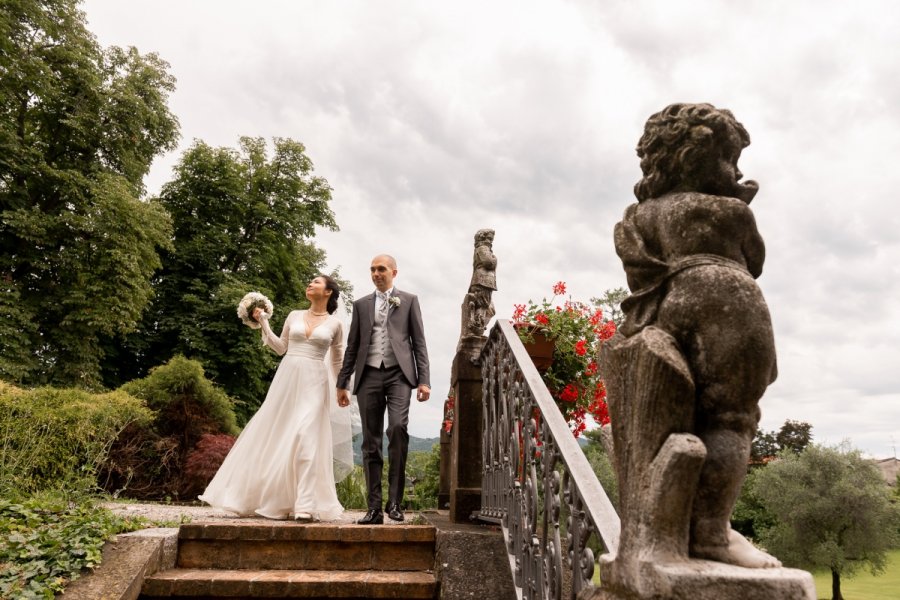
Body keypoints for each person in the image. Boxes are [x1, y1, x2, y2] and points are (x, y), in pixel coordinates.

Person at [199, 275, 352, 521]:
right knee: (277, 433)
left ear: (329, 292)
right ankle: (261, 496)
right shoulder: (294, 315)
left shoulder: (335, 324)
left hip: (315, 381)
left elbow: (337, 359)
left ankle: (304, 504)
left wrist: (342, 387)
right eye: (309, 282)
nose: (309, 284)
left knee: (306, 436)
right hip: (288, 378)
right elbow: (281, 347)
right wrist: (264, 323)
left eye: (316, 282)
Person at [337, 254, 430, 524]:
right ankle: (374, 508)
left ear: (394, 272)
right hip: (368, 376)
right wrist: (343, 382)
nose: (376, 273)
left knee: (398, 428)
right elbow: (353, 346)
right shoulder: (361, 305)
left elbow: (419, 343)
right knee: (370, 441)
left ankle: (395, 503)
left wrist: (424, 380)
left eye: (381, 269)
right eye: (372, 270)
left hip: (399, 374)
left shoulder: (409, 300)